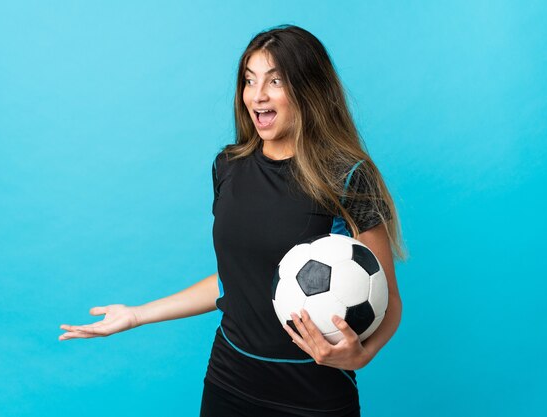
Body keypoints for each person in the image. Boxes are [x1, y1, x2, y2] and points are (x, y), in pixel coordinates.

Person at [59, 24, 406, 417]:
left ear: (309, 89)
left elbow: (389, 301)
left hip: (315, 397)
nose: (257, 96)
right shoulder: (228, 166)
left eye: (274, 81)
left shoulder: (347, 176)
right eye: (249, 80)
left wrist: (361, 355)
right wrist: (137, 315)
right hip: (229, 384)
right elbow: (235, 281)